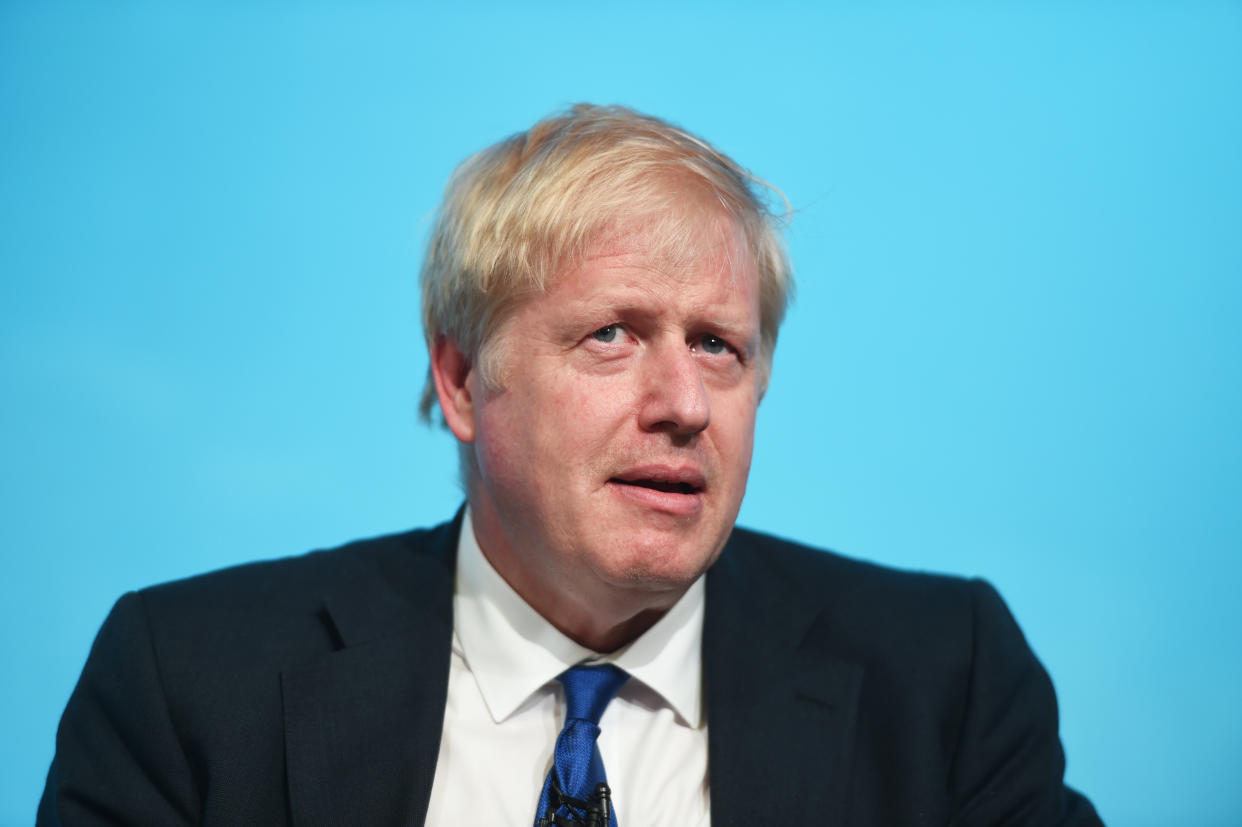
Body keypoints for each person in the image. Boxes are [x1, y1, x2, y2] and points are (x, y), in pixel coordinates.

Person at [39, 104, 1102, 826]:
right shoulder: (189, 683)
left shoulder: (943, 682)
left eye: (719, 346)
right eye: (611, 335)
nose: (684, 404)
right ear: (460, 380)